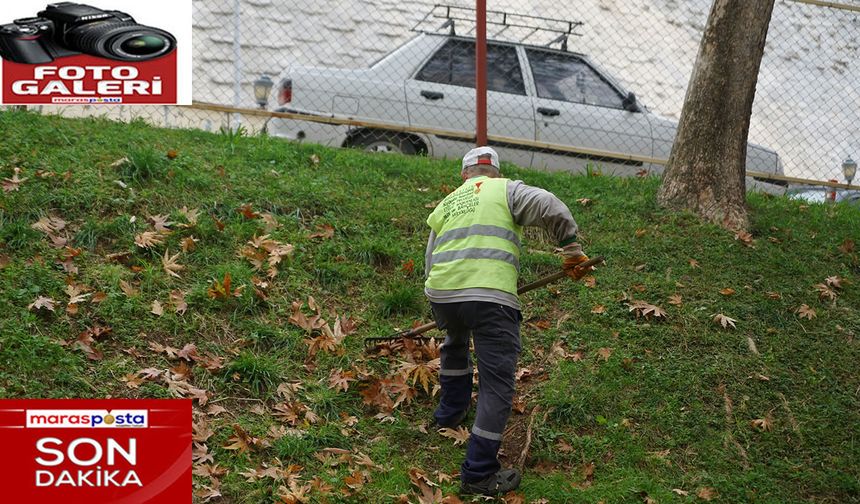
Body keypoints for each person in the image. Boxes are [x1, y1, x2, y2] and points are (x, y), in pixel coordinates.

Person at [424, 146, 591, 495]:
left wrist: (442, 300)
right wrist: (572, 250)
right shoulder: (506, 190)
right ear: (495, 172)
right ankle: (479, 473)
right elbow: (551, 206)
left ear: (464, 174)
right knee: (497, 384)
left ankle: (449, 415)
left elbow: (430, 257)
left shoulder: (447, 202)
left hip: (442, 293)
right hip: (489, 297)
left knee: (454, 343)